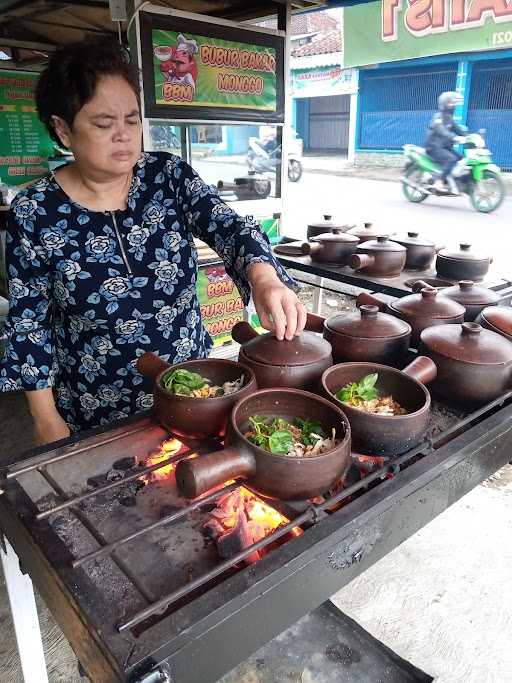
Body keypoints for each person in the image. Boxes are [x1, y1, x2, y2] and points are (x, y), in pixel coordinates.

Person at [0, 39, 306, 446]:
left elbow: (229, 226)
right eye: (104, 124)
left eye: (131, 119)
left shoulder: (166, 175)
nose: (124, 136)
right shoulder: (35, 211)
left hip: (194, 385)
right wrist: (45, 417)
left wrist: (265, 278)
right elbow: (29, 323)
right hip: (96, 404)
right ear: (63, 129)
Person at [425, 91, 466, 193]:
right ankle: (439, 181)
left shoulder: (449, 119)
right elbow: (440, 130)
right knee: (451, 159)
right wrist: (453, 137)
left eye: (453, 103)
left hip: (444, 147)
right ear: (444, 104)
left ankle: (453, 181)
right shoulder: (438, 117)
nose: (453, 106)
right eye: (450, 103)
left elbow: (459, 131)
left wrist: (471, 137)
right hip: (433, 147)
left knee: (462, 159)